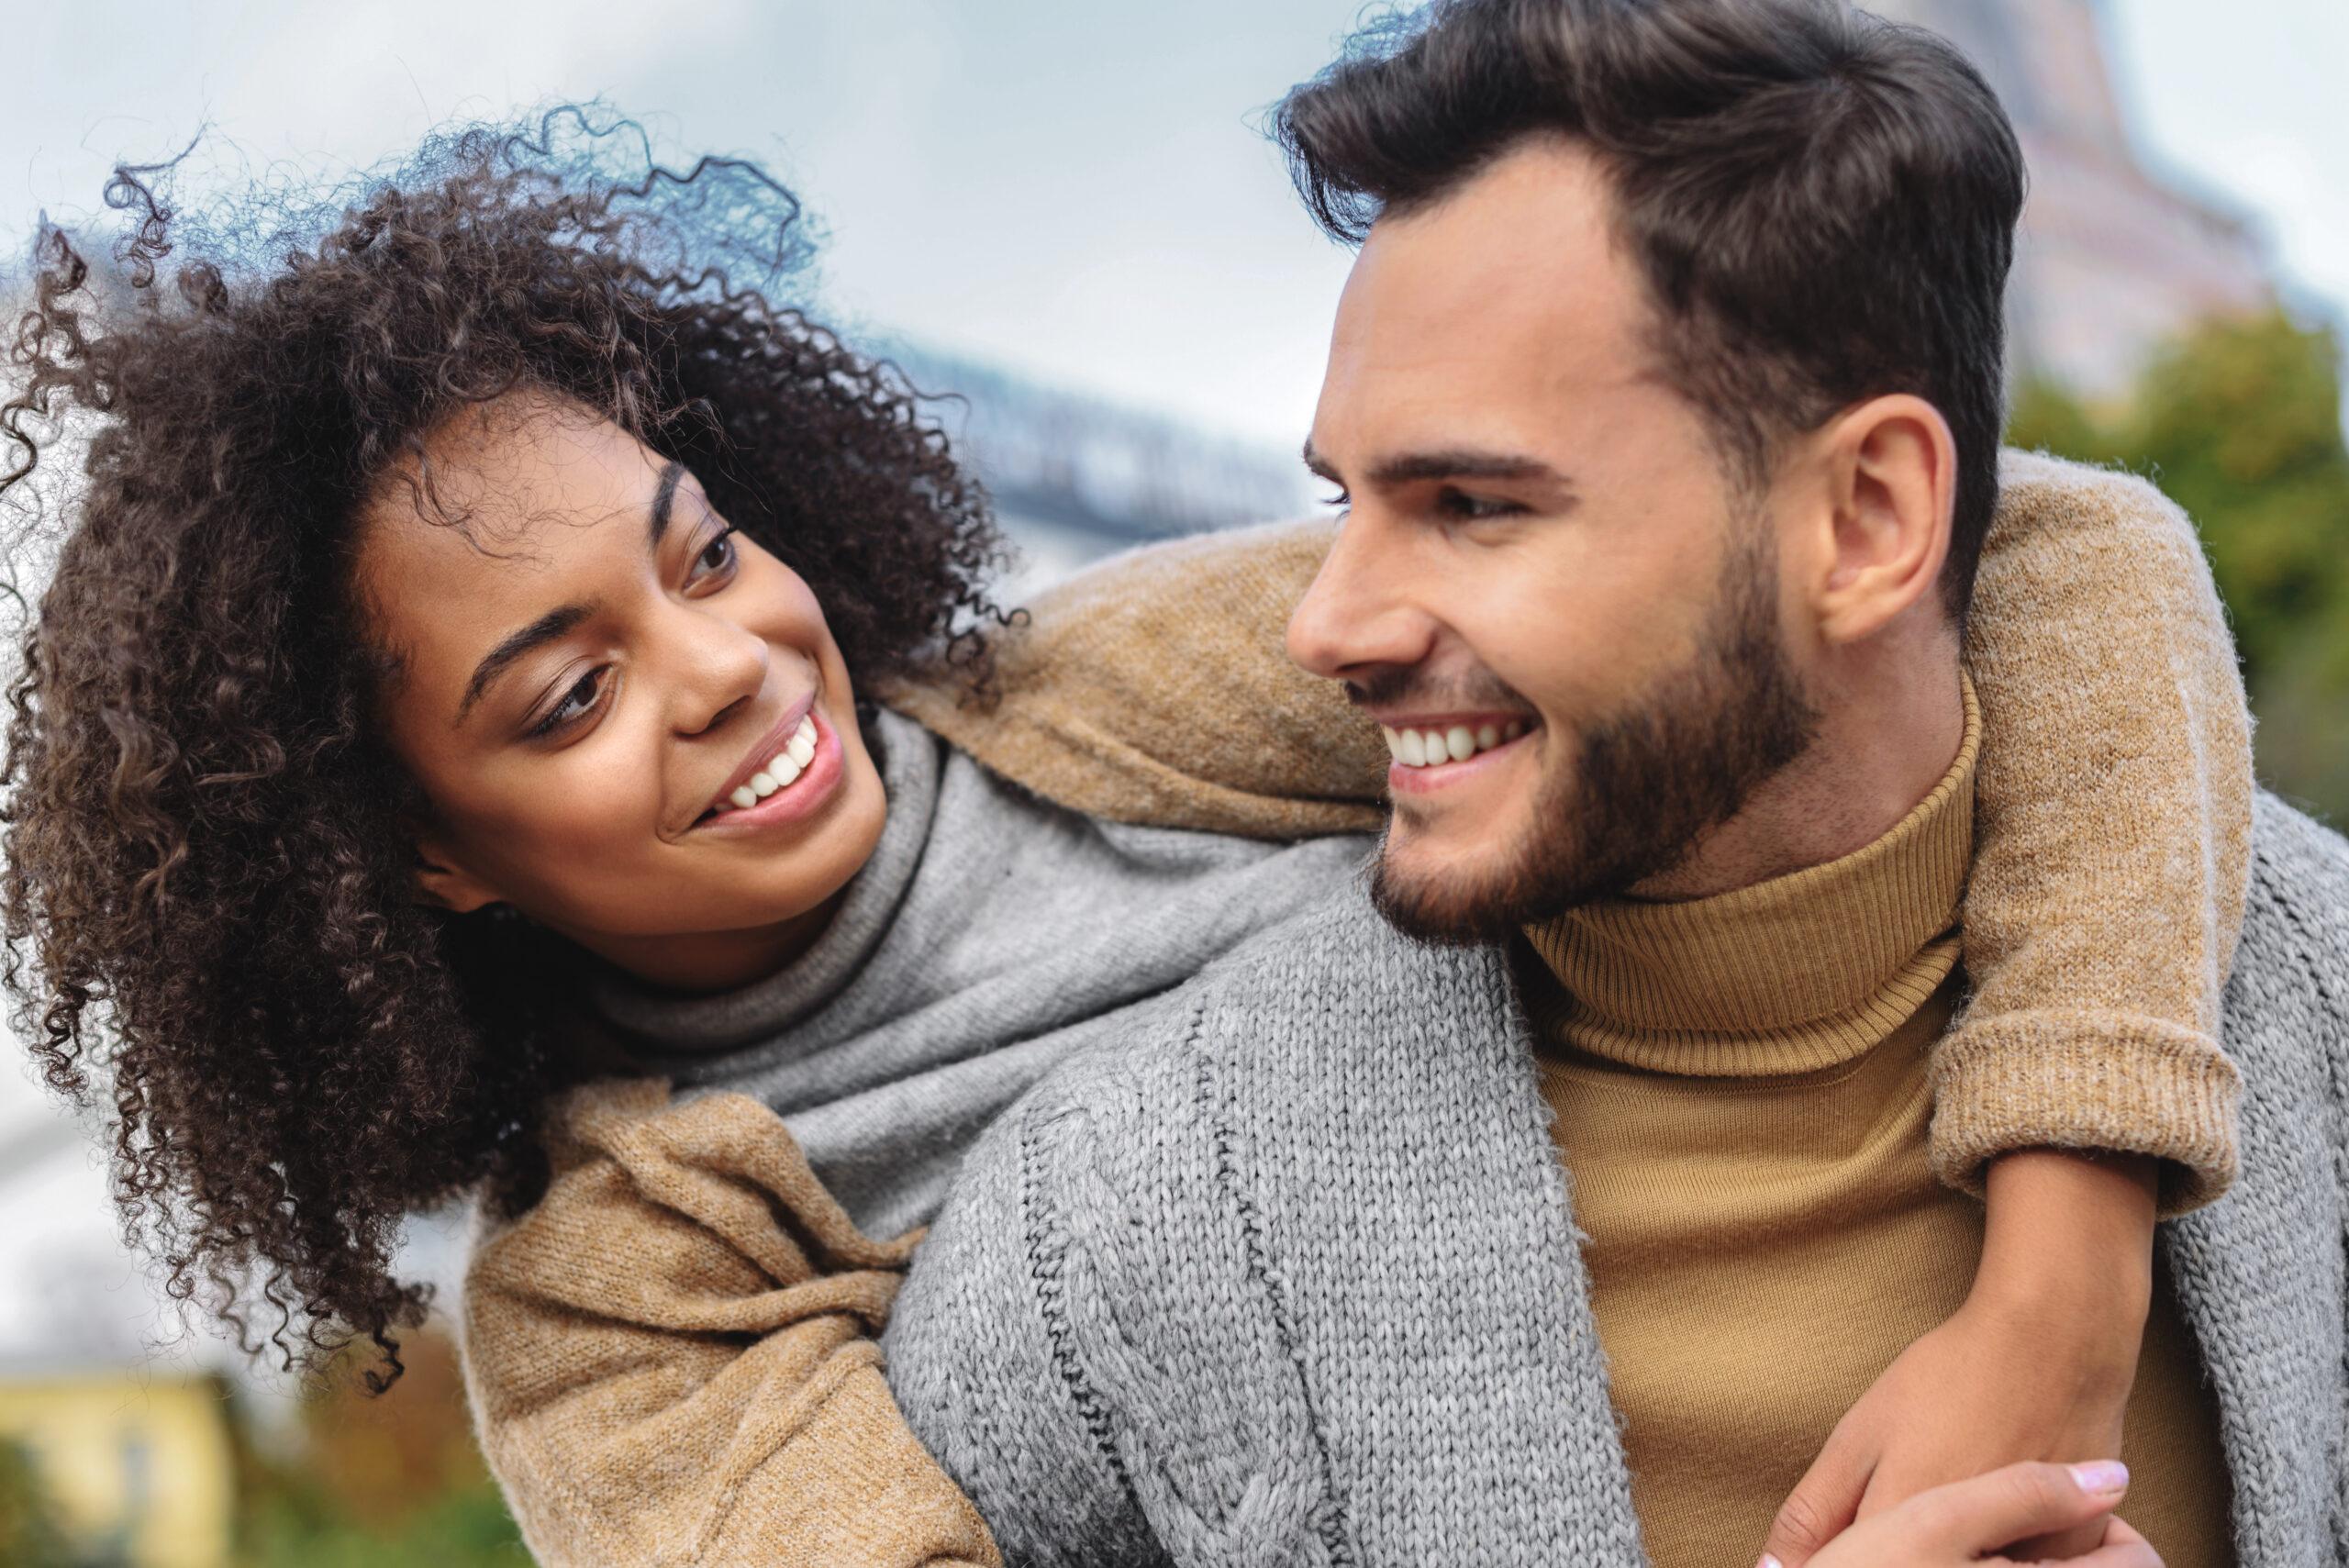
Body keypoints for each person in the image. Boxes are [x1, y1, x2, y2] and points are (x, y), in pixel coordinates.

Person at [0, 92, 2254, 1568]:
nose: (724, 669)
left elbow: (2047, 553)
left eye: (703, 556)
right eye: (568, 697)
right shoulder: (622, 1300)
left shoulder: (1087, 694)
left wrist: (2052, 1296)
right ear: (421, 858)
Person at [869, 2, 2346, 1564]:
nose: (1322, 626)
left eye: (1473, 503)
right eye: (1343, 503)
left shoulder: (2318, 1013)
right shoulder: (1116, 1227)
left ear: (1869, 518)